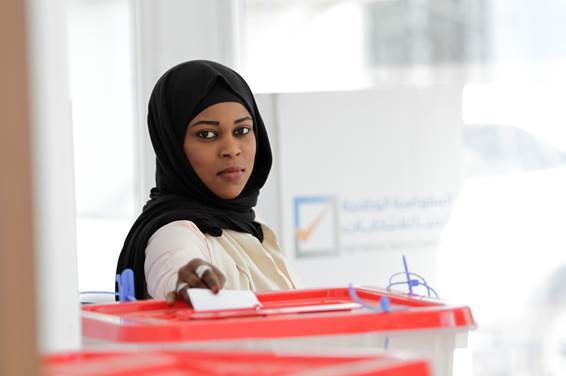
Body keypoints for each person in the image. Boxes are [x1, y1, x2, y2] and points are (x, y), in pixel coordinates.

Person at [116, 60, 297, 302]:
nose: (231, 150)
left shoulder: (249, 225)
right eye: (207, 134)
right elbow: (174, 269)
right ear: (173, 146)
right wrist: (185, 283)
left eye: (242, 131)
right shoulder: (175, 232)